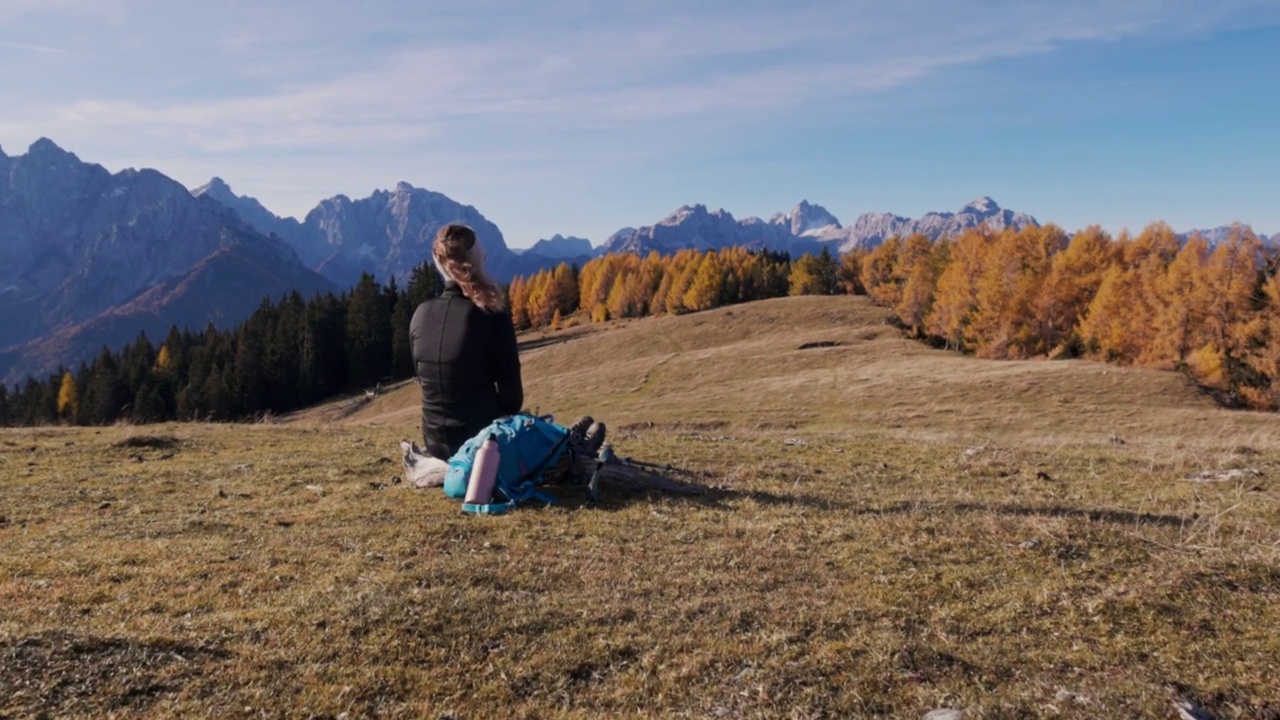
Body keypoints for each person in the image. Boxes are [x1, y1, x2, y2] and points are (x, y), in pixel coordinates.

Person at [410, 224, 523, 472]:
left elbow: (424, 380)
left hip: (434, 441)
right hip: (482, 443)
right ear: (475, 261)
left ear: (437, 262)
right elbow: (512, 400)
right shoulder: (492, 315)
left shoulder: (420, 314)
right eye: (483, 255)